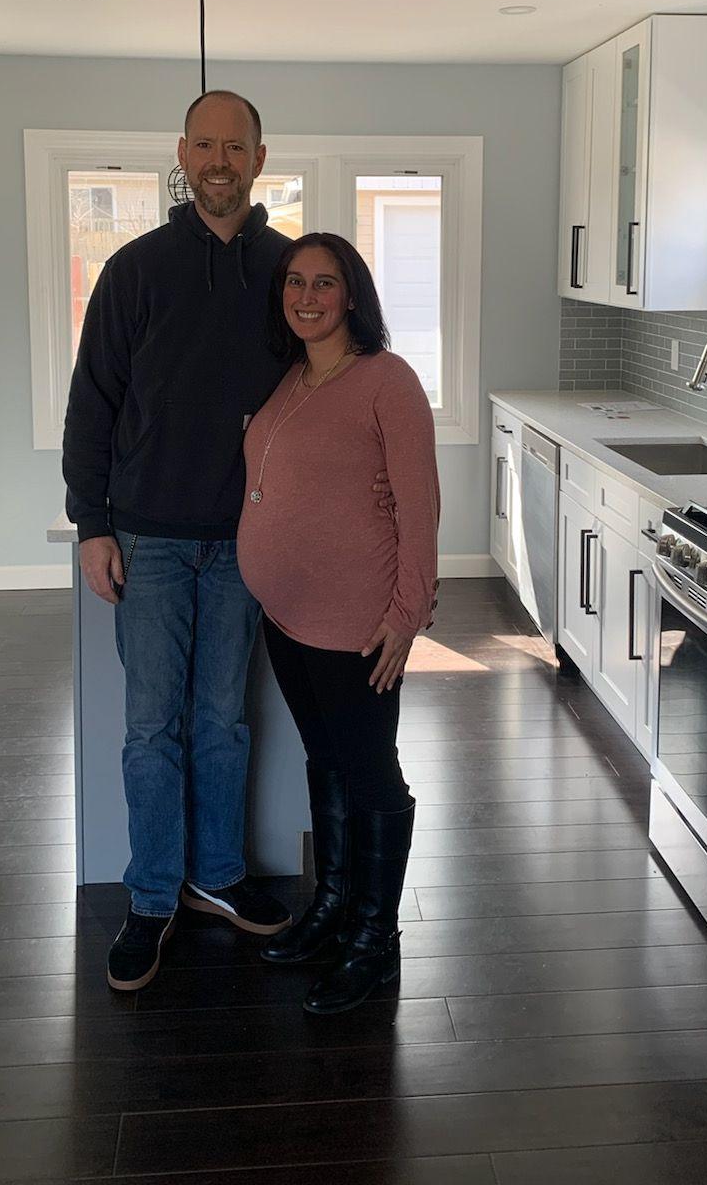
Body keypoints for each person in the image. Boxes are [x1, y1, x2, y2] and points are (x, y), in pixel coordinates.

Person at [62, 89, 297, 992]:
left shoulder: (288, 273)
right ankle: (153, 895)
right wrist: (93, 524)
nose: (219, 161)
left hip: (246, 544)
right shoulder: (134, 271)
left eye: (234, 146)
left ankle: (218, 877)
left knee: (224, 724)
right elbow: (94, 405)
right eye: (205, 144)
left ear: (259, 158)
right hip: (150, 541)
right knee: (151, 730)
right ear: (183, 153)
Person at [237, 232, 440, 1015]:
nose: (308, 296)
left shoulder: (387, 381)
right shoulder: (292, 377)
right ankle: (332, 907)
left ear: (352, 294)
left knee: (371, 775)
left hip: (357, 624)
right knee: (326, 759)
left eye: (325, 283)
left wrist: (409, 613)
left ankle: (373, 941)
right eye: (295, 282)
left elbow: (420, 509)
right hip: (286, 619)